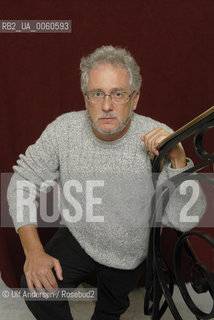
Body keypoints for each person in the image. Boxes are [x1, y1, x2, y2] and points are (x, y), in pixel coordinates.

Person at [7, 45, 205, 320]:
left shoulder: (161, 137)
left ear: (134, 99)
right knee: (36, 290)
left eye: (118, 94)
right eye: (97, 93)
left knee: (108, 312)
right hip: (79, 233)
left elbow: (185, 220)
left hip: (129, 247)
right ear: (86, 98)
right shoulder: (63, 130)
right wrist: (33, 251)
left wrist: (179, 159)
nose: (107, 105)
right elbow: (23, 181)